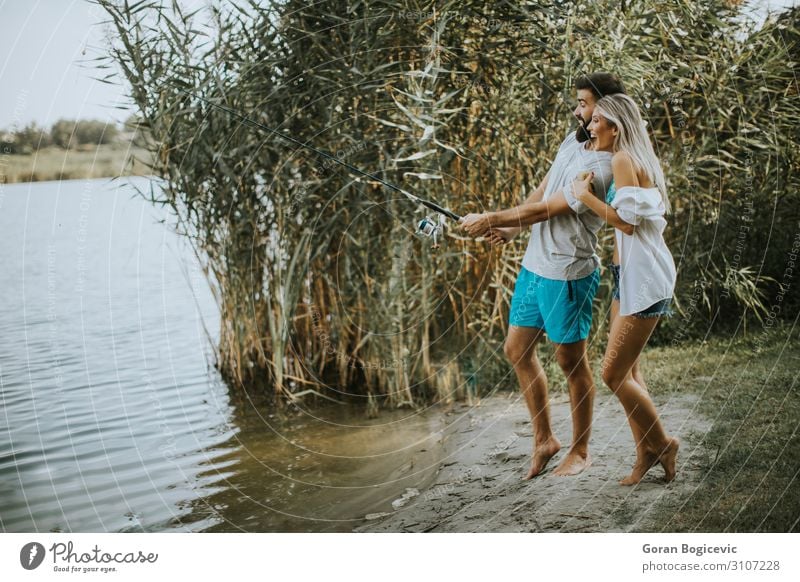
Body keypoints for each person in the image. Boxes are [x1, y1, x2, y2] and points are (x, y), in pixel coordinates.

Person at [460, 72, 624, 478]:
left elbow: (551, 208)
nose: (579, 110)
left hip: (568, 273)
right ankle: (545, 440)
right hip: (535, 266)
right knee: (516, 351)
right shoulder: (574, 140)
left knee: (571, 362)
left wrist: (491, 217)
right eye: (580, 103)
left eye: (585, 104)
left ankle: (581, 450)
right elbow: (544, 189)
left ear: (606, 110)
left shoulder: (604, 168)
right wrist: (511, 228)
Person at [569, 92, 679, 484]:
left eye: (596, 119)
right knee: (629, 370)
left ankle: (664, 443)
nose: (589, 125)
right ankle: (647, 451)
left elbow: (628, 223)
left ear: (616, 126)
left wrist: (584, 197)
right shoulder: (630, 158)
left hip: (644, 279)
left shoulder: (622, 158)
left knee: (613, 374)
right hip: (627, 277)